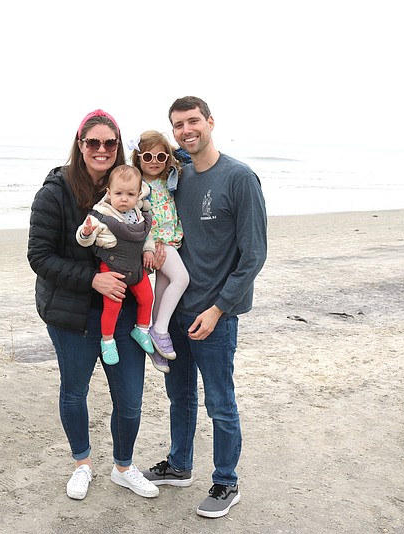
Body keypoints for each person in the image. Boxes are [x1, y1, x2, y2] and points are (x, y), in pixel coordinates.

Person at [142, 96, 268, 519]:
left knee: (220, 402)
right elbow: (146, 159)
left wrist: (217, 310)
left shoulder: (239, 177)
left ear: (211, 121)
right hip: (175, 313)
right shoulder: (176, 172)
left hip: (215, 315)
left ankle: (226, 482)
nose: (185, 130)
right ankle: (179, 465)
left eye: (193, 121)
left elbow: (253, 256)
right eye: (178, 125)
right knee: (179, 395)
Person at [27, 109, 160, 502]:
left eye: (110, 143)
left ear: (119, 147)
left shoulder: (132, 190)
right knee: (74, 392)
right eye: (93, 142)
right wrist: (92, 278)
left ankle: (123, 467)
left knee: (130, 399)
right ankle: (82, 464)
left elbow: (169, 169)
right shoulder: (54, 191)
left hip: (122, 312)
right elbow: (39, 256)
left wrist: (157, 247)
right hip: (73, 314)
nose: (102, 150)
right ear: (80, 145)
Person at [76, 164, 156, 366]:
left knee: (147, 297)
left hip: (136, 267)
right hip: (112, 269)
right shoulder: (100, 215)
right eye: (119, 193)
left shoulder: (139, 213)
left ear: (138, 195)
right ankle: (108, 341)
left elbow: (147, 234)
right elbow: (85, 241)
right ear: (109, 192)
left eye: (130, 194)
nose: (124, 198)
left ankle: (142, 329)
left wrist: (149, 249)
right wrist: (85, 232)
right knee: (113, 305)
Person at [130, 130, 190, 374]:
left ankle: (155, 345)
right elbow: (135, 216)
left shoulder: (169, 178)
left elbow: (185, 156)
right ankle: (160, 329)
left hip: (171, 240)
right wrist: (150, 244)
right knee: (182, 278)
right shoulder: (138, 185)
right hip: (158, 243)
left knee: (163, 287)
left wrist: (171, 149)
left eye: (161, 156)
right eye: (147, 156)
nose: (154, 161)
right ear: (138, 158)